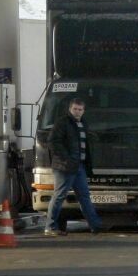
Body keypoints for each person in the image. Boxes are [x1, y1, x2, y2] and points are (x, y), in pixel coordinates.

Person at [45, 97, 103, 236]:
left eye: (80, 109)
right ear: (70, 109)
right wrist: (67, 159)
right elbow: (53, 142)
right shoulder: (62, 122)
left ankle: (95, 226)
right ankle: (50, 227)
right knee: (59, 195)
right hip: (65, 167)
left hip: (78, 166)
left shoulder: (82, 123)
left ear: (83, 111)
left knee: (84, 196)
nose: (77, 112)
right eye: (75, 109)